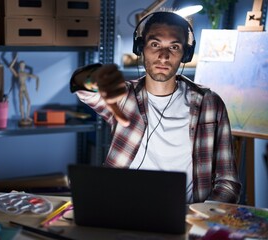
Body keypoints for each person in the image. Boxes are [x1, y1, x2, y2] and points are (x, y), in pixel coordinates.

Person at [70, 11, 241, 203]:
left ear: (185, 54)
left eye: (174, 46)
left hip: (188, 217)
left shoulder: (209, 103)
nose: (163, 56)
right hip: (122, 208)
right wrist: (95, 77)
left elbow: (228, 182)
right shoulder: (123, 96)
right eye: (155, 44)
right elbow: (81, 86)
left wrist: (203, 219)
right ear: (140, 48)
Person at [9, 55, 39, 126]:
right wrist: (15, 60)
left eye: (23, 65)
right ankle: (22, 117)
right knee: (21, 103)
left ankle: (27, 116)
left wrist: (37, 86)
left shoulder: (26, 74)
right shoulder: (18, 74)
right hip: (20, 88)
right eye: (21, 65)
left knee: (29, 102)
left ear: (24, 66)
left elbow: (37, 77)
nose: (22, 66)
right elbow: (10, 67)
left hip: (25, 88)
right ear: (19, 66)